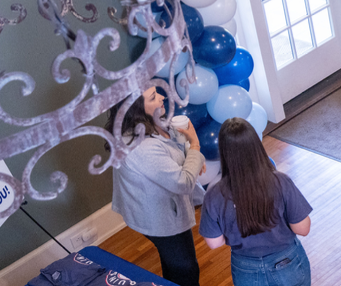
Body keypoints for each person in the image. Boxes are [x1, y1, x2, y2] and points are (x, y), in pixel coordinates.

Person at [108, 82, 205, 286]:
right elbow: (184, 183)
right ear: (136, 110)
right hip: (159, 218)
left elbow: (173, 148)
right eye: (153, 97)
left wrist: (192, 156)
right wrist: (195, 146)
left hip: (160, 208)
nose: (162, 97)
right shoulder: (141, 148)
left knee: (173, 263)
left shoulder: (151, 123)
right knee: (186, 270)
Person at [200, 118, 313, 286]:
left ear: (223, 152)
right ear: (256, 145)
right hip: (287, 262)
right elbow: (303, 229)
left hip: (245, 267)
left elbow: (214, 243)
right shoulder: (281, 182)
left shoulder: (213, 195)